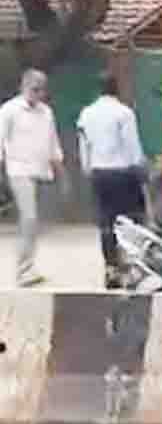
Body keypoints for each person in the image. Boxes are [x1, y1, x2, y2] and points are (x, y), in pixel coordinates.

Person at [77, 71, 148, 288]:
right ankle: (131, 268)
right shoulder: (124, 113)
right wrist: (141, 169)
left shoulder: (86, 114)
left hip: (99, 172)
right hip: (123, 173)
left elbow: (83, 145)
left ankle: (111, 269)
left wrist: (87, 168)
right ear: (117, 88)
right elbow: (132, 145)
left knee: (106, 223)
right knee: (131, 221)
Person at [0, 69, 65, 287]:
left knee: (34, 222)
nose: (38, 94)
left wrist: (62, 175)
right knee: (29, 217)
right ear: (24, 86)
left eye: (41, 90)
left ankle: (28, 265)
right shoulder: (9, 110)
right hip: (18, 170)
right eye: (34, 89)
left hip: (40, 171)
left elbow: (53, 145)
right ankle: (23, 270)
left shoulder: (46, 112)